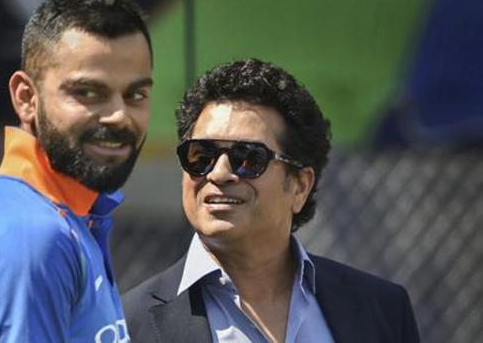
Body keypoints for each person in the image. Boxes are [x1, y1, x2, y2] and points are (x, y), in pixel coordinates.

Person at [123, 59, 420, 343]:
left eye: (249, 158)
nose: (220, 172)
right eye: (201, 156)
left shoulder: (381, 310)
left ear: (300, 186)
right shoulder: (127, 325)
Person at [0, 0, 153, 341]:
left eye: (135, 95)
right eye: (88, 93)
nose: (119, 116)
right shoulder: (31, 237)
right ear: (26, 99)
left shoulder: (60, 218)